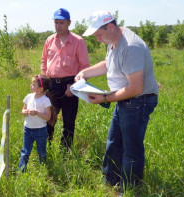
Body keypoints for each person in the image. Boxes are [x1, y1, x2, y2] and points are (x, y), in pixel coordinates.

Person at [75, 10, 159, 194]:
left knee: (131, 148)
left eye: (98, 34)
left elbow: (136, 88)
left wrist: (105, 98)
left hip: (138, 101)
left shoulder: (131, 47)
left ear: (110, 26)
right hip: (125, 100)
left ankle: (129, 190)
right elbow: (108, 63)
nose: (97, 39)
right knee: (114, 141)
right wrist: (86, 72)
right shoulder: (113, 40)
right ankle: (111, 182)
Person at [41, 8, 90, 148]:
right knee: (49, 118)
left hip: (70, 85)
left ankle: (65, 151)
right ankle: (46, 148)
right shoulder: (49, 40)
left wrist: (74, 85)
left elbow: (84, 67)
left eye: (61, 23)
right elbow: (44, 62)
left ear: (69, 23)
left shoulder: (78, 41)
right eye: (56, 22)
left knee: (68, 121)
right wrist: (44, 84)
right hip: (51, 85)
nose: (58, 26)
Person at [18, 75, 52, 172]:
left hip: (40, 130)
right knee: (25, 151)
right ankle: (22, 170)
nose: (31, 85)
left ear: (41, 89)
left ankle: (43, 170)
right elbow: (23, 108)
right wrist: (24, 111)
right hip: (28, 129)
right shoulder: (28, 97)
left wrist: (37, 113)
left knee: (41, 151)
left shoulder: (45, 100)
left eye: (33, 84)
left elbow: (48, 117)